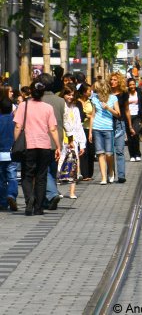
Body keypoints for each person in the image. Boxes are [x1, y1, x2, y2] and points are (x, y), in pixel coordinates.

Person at [14, 79, 60, 216]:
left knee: (27, 175)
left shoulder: (23, 106)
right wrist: (58, 146)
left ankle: (29, 198)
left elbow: (18, 126)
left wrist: (16, 142)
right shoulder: (48, 108)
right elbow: (52, 129)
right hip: (44, 146)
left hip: (28, 145)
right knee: (41, 176)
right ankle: (39, 207)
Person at [88, 78, 121, 185]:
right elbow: (93, 115)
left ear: (103, 89)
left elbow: (118, 114)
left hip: (108, 128)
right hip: (97, 128)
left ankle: (110, 171)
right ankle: (103, 178)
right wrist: (90, 131)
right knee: (100, 154)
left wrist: (108, 108)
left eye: (98, 90)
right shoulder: (94, 99)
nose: (96, 92)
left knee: (109, 154)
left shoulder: (113, 98)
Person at [39, 73, 64, 210]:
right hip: (56, 141)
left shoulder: (36, 100)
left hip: (41, 141)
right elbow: (65, 122)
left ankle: (52, 194)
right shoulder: (60, 101)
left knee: (43, 171)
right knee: (52, 171)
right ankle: (49, 198)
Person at [59, 84, 85, 199]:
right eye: (68, 94)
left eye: (72, 95)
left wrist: (82, 144)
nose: (70, 97)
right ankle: (57, 190)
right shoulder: (60, 106)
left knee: (73, 164)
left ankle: (72, 191)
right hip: (61, 139)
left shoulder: (75, 109)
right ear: (63, 94)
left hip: (73, 140)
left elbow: (79, 126)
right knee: (60, 164)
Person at [109, 72, 128, 184]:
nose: (113, 81)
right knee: (109, 152)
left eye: (115, 79)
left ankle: (121, 175)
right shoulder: (106, 93)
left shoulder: (124, 93)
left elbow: (126, 110)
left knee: (120, 150)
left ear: (119, 81)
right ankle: (110, 174)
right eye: (111, 79)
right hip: (107, 124)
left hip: (120, 123)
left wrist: (129, 125)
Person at [0, 97, 18, 211]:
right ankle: (11, 195)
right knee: (12, 176)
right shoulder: (15, 120)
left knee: (1, 178)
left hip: (1, 153)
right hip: (12, 152)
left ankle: (2, 201)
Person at [121, 78, 142, 162]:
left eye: (133, 84)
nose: (132, 86)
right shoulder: (125, 93)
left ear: (136, 84)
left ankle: (137, 154)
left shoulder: (139, 91)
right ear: (128, 85)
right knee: (130, 136)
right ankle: (132, 155)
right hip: (128, 116)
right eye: (130, 85)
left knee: (136, 134)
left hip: (137, 116)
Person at [76, 83, 95, 181]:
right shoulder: (77, 102)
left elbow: (94, 114)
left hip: (89, 128)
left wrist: (89, 116)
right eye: (89, 90)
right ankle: (84, 174)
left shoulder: (90, 101)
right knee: (83, 151)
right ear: (83, 92)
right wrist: (88, 116)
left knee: (91, 151)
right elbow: (79, 115)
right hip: (80, 129)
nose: (90, 92)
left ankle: (90, 174)